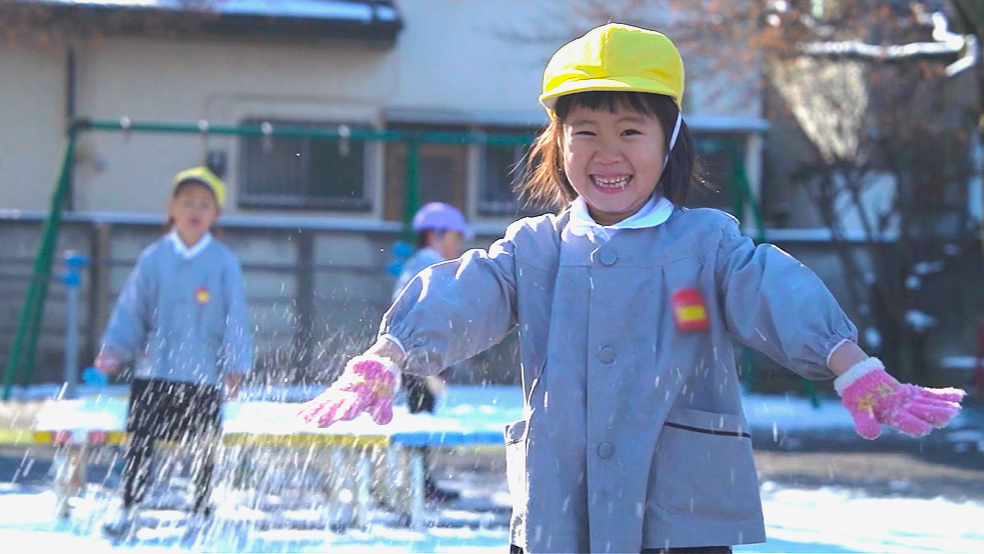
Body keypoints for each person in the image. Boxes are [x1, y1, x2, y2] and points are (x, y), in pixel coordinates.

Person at [297, 23, 965, 554]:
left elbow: (774, 291)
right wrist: (391, 353)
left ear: (668, 140)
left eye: (629, 131)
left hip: (680, 525)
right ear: (558, 146)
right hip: (560, 518)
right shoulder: (536, 250)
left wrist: (853, 367)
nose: (606, 152)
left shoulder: (707, 245)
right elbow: (465, 293)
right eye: (584, 132)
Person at [95, 166, 252, 538]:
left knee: (204, 446)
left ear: (216, 215)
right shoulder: (154, 258)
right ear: (171, 208)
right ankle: (128, 505)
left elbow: (236, 317)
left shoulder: (223, 262)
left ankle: (200, 508)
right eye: (186, 202)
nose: (194, 210)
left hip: (202, 374)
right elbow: (132, 309)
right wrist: (115, 349)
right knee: (140, 440)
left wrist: (236, 365)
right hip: (155, 371)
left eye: (204, 204)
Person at [392, 202, 471, 503]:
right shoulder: (430, 264)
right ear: (435, 236)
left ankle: (415, 482)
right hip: (418, 360)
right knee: (419, 421)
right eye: (456, 236)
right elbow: (423, 313)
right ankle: (415, 485)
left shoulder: (421, 262)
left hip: (416, 356)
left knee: (420, 417)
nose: (459, 244)